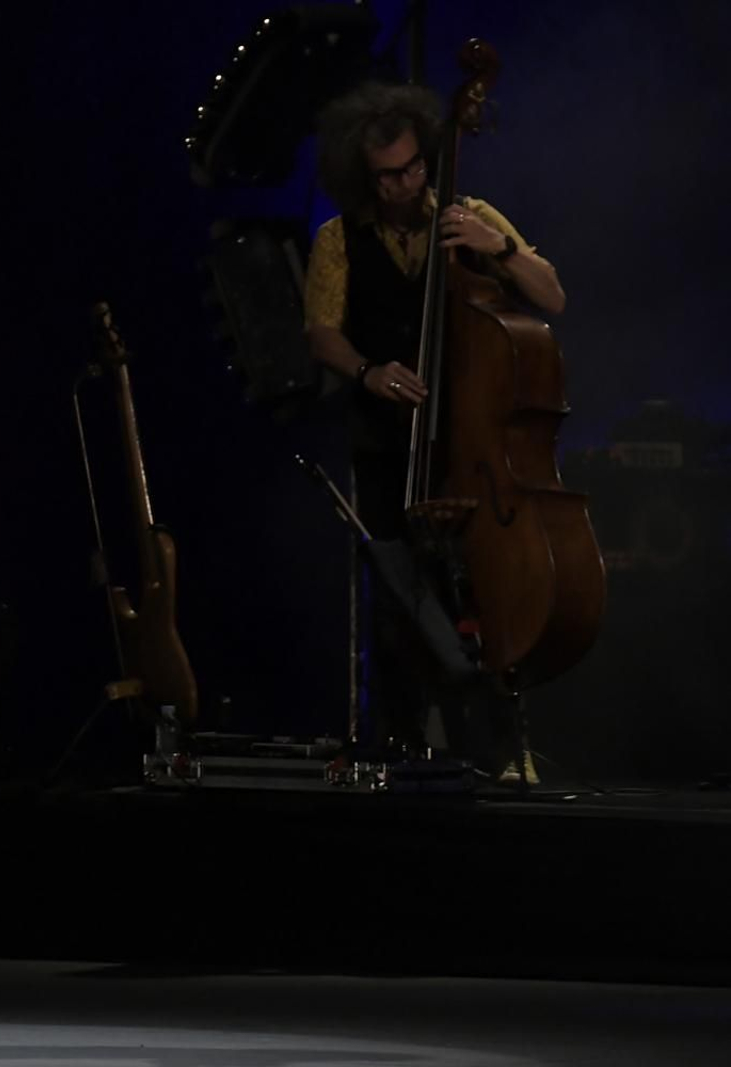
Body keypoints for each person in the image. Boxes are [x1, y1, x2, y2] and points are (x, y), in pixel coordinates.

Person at [302, 82, 567, 782]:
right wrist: (369, 371)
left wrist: (499, 247)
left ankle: (500, 747)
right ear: (366, 174)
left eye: (414, 166)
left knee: (478, 598)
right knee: (400, 610)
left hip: (471, 446)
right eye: (388, 174)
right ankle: (405, 755)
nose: (404, 183)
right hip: (386, 444)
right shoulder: (338, 238)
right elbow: (321, 332)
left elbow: (551, 296)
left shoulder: (468, 215)